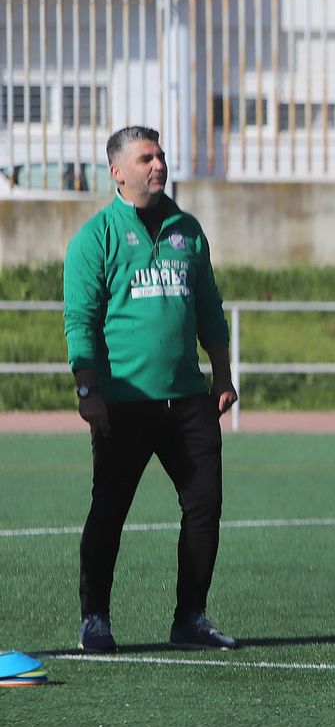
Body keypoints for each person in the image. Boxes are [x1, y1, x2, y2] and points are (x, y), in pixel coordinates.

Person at [64, 126, 239, 654]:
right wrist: (88, 390)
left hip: (187, 401)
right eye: (146, 158)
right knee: (109, 510)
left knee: (204, 505)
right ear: (118, 171)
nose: (158, 164)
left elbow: (209, 309)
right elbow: (80, 320)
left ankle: (191, 618)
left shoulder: (189, 230)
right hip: (123, 402)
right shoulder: (95, 238)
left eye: (160, 155)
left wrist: (222, 374)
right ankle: (95, 619)